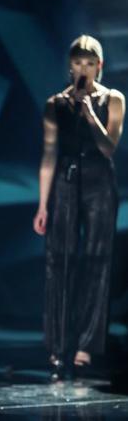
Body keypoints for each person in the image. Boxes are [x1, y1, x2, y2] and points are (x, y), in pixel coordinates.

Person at [33, 35, 125, 379]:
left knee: (97, 261)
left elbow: (109, 146)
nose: (83, 69)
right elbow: (48, 155)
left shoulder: (113, 99)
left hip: (100, 182)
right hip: (65, 181)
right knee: (59, 261)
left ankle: (86, 346)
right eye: (77, 63)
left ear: (99, 66)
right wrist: (43, 205)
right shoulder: (55, 104)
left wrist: (88, 112)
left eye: (89, 63)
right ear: (69, 66)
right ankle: (57, 348)